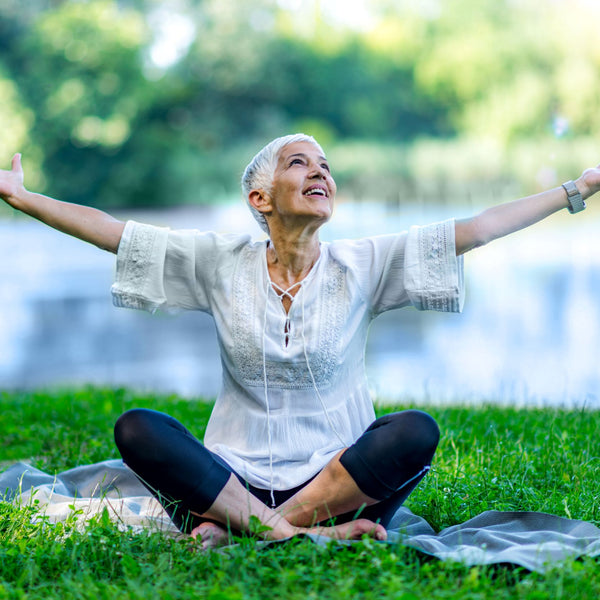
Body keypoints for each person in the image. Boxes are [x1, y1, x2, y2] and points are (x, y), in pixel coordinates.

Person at [1, 134, 598, 549]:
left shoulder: (364, 263)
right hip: (228, 480)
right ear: (259, 200)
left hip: (339, 487)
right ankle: (295, 537)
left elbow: (478, 228)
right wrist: (24, 199)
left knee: (414, 431)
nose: (320, 172)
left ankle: (258, 530)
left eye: (325, 165)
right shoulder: (218, 261)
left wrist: (575, 190)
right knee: (137, 427)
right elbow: (115, 234)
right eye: (298, 163)